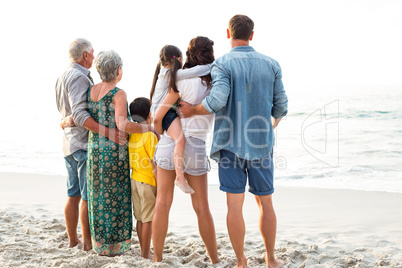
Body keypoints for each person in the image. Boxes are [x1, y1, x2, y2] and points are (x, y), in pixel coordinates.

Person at [179, 15, 288, 268]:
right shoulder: (271, 64)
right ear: (252, 35)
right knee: (266, 202)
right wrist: (274, 122)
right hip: (261, 143)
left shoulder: (223, 64)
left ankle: (241, 262)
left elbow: (216, 101)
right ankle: (271, 259)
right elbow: (281, 106)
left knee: (234, 205)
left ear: (228, 34)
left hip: (229, 145)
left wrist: (193, 110)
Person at [152, 36, 219, 264]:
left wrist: (161, 133)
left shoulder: (179, 81)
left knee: (162, 203)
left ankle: (157, 259)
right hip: (196, 146)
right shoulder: (215, 82)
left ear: (189, 55)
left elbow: (158, 115)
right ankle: (214, 259)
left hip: (169, 144)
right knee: (202, 208)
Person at [55, 38, 127, 251]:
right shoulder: (79, 77)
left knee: (73, 194)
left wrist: (65, 121)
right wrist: (109, 133)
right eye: (92, 53)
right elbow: (78, 114)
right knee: (87, 196)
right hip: (81, 145)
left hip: (68, 143)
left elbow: (67, 112)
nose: (94, 58)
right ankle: (86, 243)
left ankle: (72, 240)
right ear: (85, 55)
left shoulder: (62, 76)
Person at [86, 50, 155, 256]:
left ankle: (100, 245)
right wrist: (148, 128)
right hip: (113, 154)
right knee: (116, 199)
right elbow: (123, 124)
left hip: (94, 151)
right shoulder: (118, 93)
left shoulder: (90, 91)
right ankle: (115, 247)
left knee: (97, 197)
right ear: (118, 70)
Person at [150, 45, 211, 194]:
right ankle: (179, 177)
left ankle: (180, 175)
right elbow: (195, 71)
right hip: (164, 114)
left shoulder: (164, 73)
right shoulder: (171, 74)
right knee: (180, 140)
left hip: (164, 113)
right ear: (177, 59)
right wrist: (212, 65)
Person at [128, 97, 159, 259]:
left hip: (134, 180)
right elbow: (155, 164)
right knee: (148, 220)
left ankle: (143, 250)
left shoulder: (131, 135)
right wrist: (160, 186)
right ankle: (146, 253)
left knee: (140, 219)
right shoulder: (150, 136)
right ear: (148, 115)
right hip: (147, 182)